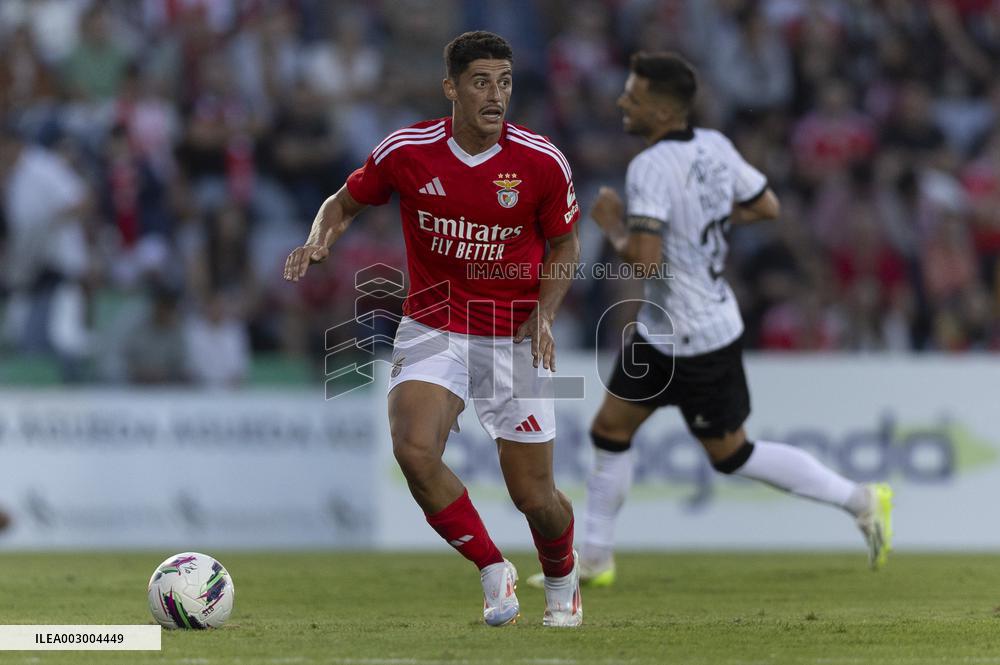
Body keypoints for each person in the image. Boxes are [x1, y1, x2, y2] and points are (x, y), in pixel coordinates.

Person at [528, 52, 893, 589]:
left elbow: (645, 260)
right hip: (672, 330)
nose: (622, 102)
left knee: (731, 453)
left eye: (633, 95)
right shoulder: (716, 146)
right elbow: (766, 205)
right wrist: (704, 214)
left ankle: (861, 498)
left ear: (661, 108)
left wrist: (614, 227)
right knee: (610, 429)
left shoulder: (649, 166)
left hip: (693, 339)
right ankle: (596, 557)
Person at [283, 31, 583, 627]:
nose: (495, 95)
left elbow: (566, 242)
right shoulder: (407, 150)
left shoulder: (540, 161)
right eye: (480, 82)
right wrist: (320, 238)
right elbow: (343, 202)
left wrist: (544, 313)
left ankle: (563, 578)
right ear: (451, 88)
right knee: (413, 448)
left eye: (504, 81)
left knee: (535, 497)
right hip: (433, 323)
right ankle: (494, 572)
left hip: (512, 336)